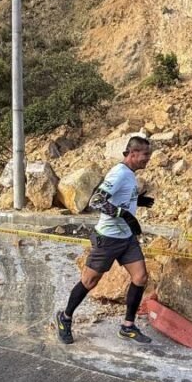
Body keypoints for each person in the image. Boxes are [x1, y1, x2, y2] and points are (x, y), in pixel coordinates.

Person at [56, 136, 155, 345]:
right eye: (146, 154)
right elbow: (96, 201)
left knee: (140, 277)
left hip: (127, 238)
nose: (148, 158)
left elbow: (119, 197)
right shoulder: (119, 173)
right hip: (108, 238)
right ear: (133, 153)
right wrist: (125, 215)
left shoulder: (130, 174)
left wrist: (137, 201)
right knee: (89, 281)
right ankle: (65, 317)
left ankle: (128, 326)